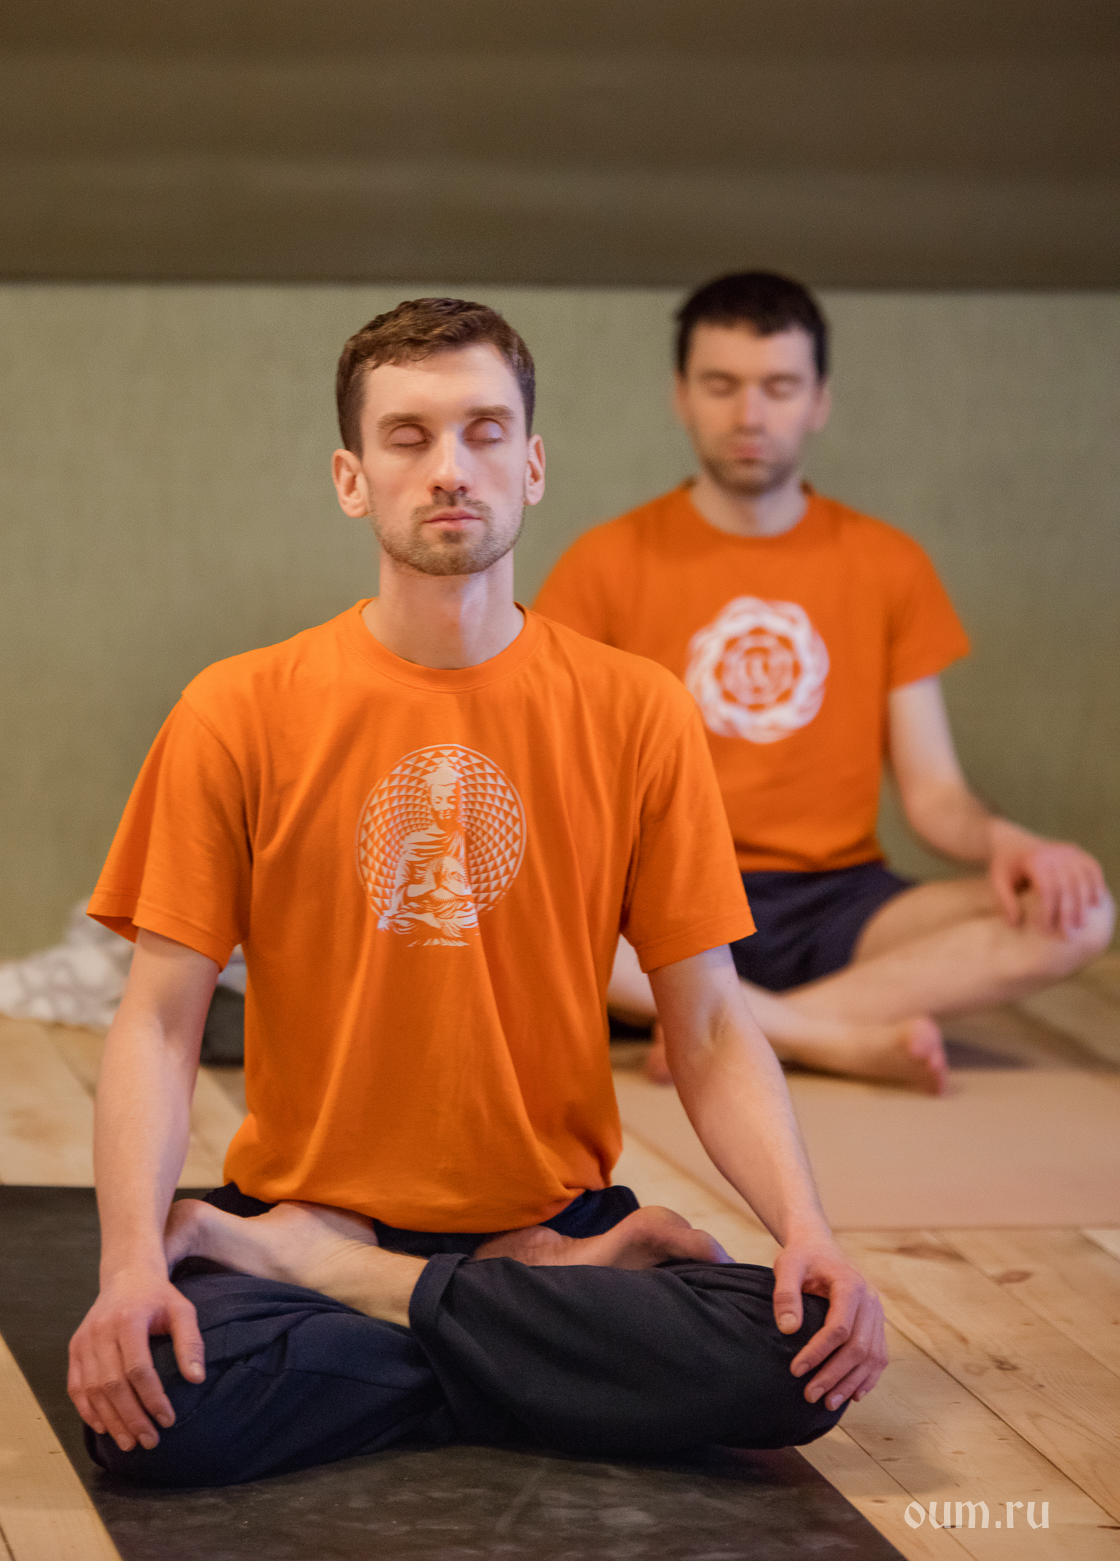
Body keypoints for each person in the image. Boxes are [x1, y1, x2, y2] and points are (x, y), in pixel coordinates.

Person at [66, 298, 886, 1489]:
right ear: (351, 479)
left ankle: (380, 1293)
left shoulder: (637, 711)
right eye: (407, 437)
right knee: (154, 1410)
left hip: (539, 1220)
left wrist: (808, 1231)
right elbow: (154, 1022)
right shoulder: (235, 710)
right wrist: (132, 1264)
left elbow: (709, 1023)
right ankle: (527, 1324)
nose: (449, 467)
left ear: (533, 465)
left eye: (484, 431)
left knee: (794, 1362)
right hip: (312, 1204)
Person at [535, 272, 1113, 1094]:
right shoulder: (606, 562)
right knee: (510, 895)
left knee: (1081, 914)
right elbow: (560, 783)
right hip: (664, 902)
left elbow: (935, 796)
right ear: (681, 396)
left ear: (819, 400)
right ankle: (825, 1036)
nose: (750, 415)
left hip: (837, 906)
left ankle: (741, 1028)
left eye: (779, 387)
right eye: (722, 385)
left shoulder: (887, 563)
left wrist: (1009, 842)